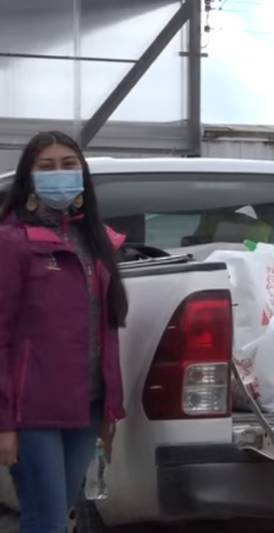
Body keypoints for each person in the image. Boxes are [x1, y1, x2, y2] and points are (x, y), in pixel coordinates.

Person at [0, 131, 129, 532]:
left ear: (83, 173)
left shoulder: (97, 239)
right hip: (32, 411)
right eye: (47, 166)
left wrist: (110, 409)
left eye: (69, 164)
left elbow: (107, 333)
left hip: (86, 405)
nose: (60, 173)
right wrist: (4, 423)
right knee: (47, 520)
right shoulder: (12, 241)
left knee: (60, 517)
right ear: (29, 178)